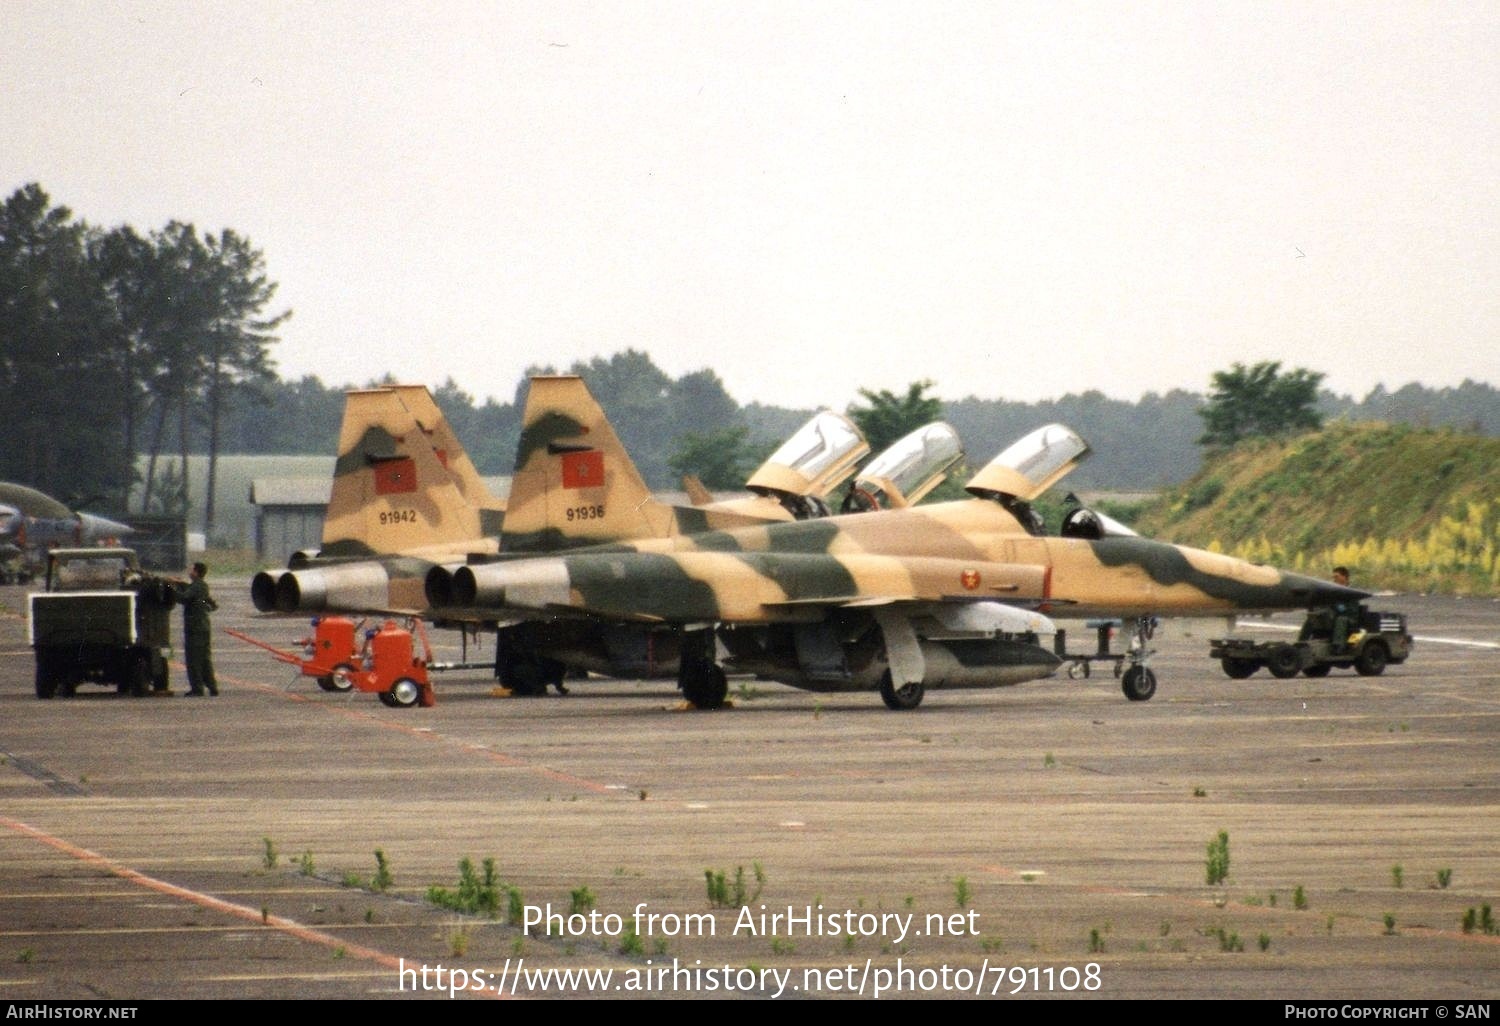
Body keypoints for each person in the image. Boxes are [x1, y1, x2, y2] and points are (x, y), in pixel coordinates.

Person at [177, 562, 219, 696]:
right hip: (203, 627)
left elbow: (184, 597)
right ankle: (212, 686)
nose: (190, 571)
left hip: (195, 629)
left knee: (193, 659)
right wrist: (179, 583)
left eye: (192, 569)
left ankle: (197, 688)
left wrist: (169, 587)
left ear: (196, 572)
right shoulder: (201, 586)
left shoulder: (197, 586)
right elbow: (191, 591)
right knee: (205, 658)